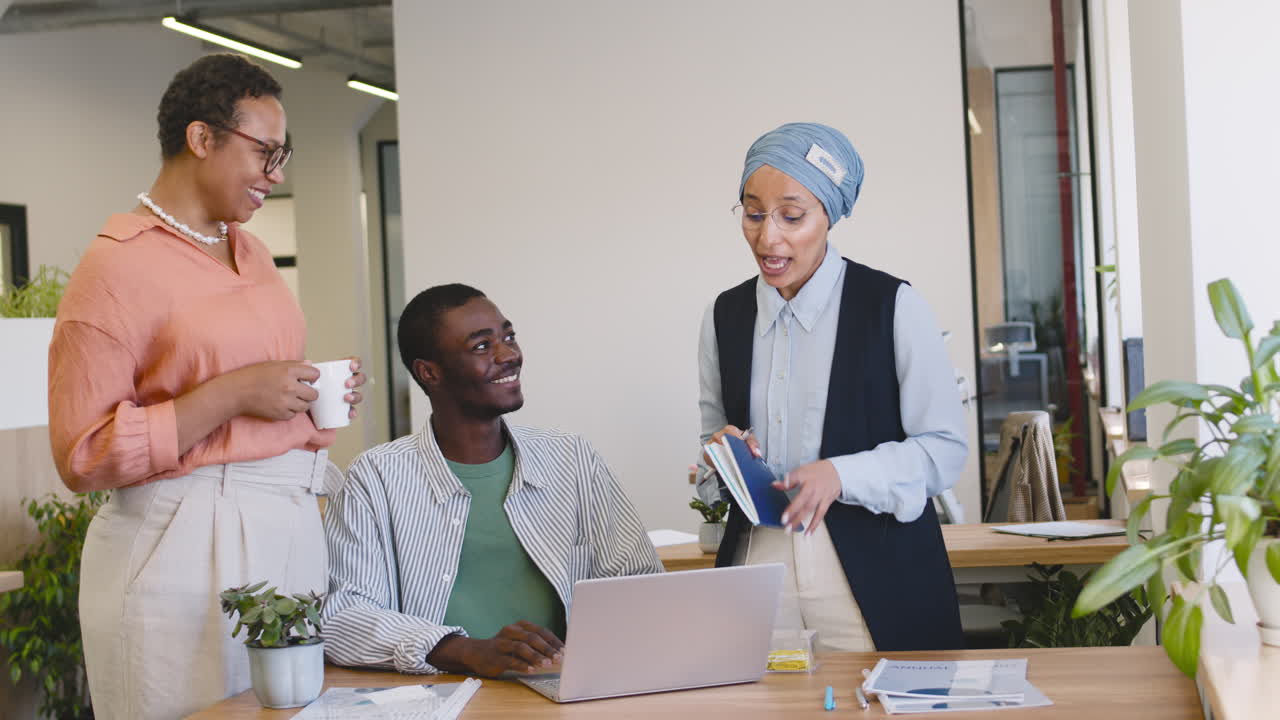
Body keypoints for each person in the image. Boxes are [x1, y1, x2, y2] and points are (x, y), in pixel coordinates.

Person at [48, 54, 367, 719]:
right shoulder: (116, 265)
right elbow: (82, 453)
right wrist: (230, 393)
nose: (276, 175)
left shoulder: (248, 252)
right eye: (265, 152)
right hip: (182, 542)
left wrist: (308, 401)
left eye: (284, 155)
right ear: (202, 138)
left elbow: (258, 394)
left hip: (287, 528)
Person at [696, 122, 967, 652]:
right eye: (753, 213)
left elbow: (944, 452)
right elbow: (710, 439)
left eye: (791, 216)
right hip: (758, 575)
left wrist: (840, 475)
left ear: (830, 215)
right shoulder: (724, 315)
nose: (767, 237)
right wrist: (723, 454)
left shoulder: (893, 307)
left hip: (874, 579)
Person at [322, 284, 661, 676]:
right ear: (429, 372)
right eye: (482, 347)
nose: (510, 355)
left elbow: (641, 584)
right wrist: (465, 651)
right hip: (437, 699)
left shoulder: (572, 458)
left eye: (509, 336)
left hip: (563, 692)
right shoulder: (376, 476)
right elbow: (343, 615)